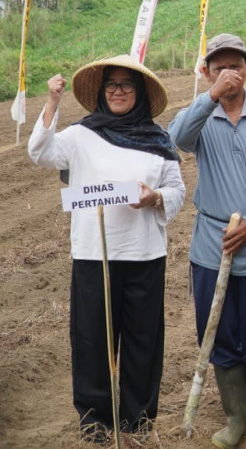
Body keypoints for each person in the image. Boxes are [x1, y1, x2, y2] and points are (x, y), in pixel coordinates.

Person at [28, 55, 185, 442]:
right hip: (92, 254)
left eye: (126, 85)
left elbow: (178, 190)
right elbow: (39, 152)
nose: (117, 92)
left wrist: (155, 198)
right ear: (101, 92)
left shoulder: (157, 139)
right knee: (92, 339)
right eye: (111, 85)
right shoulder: (81, 136)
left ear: (140, 94)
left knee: (143, 340)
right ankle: (95, 421)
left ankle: (138, 419)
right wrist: (51, 102)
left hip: (145, 254)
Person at [168, 34, 246, 449]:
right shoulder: (201, 121)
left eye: (234, 65)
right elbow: (174, 139)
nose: (228, 73)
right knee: (217, 333)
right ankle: (235, 421)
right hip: (210, 245)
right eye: (218, 67)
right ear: (207, 72)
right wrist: (209, 98)